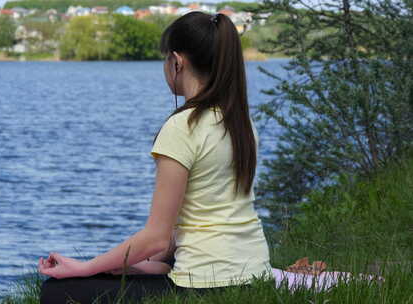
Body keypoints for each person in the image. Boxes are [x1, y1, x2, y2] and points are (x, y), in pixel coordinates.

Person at [38, 11, 273, 304]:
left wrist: (85, 266)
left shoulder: (182, 126)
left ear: (177, 61)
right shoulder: (240, 122)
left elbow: (156, 238)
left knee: (56, 292)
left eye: (165, 60)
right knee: (131, 272)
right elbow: (192, 228)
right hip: (254, 277)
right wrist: (120, 265)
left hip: (203, 286)